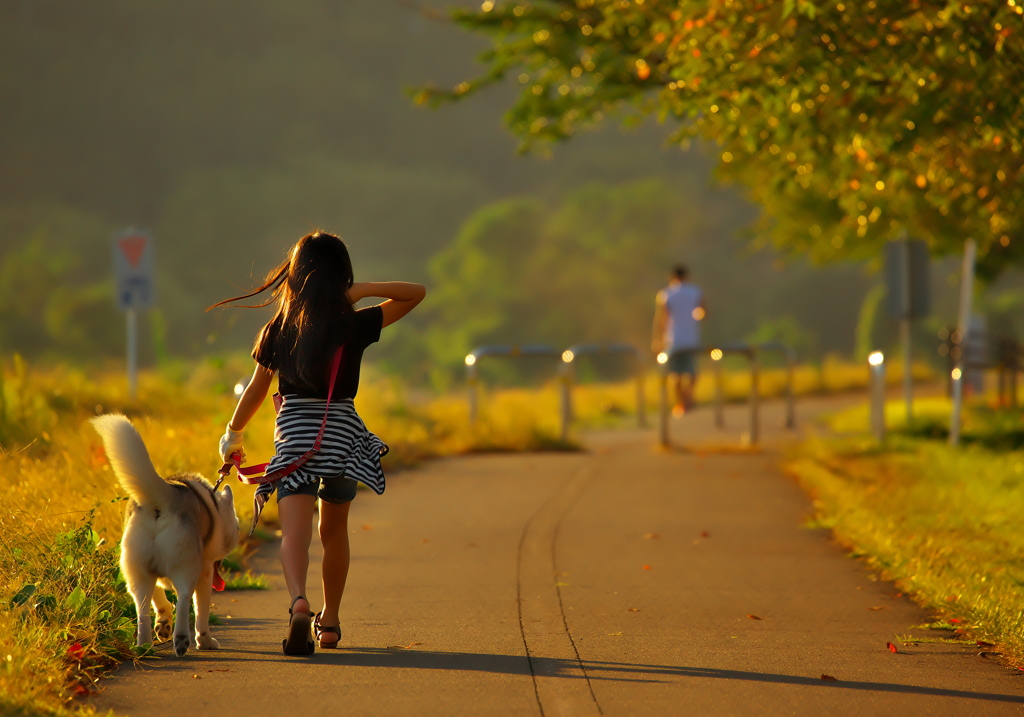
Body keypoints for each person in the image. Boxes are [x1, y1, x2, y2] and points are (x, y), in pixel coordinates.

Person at [211, 231, 425, 654]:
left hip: (294, 436)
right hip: (341, 435)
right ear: (341, 275)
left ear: (296, 276)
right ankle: (330, 622)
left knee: (295, 535)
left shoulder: (280, 328)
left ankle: (298, 604)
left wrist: (233, 434)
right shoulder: (354, 322)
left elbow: (256, 389)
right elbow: (414, 293)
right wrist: (360, 292)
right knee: (335, 532)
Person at [652, 265, 706, 417]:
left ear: (671, 277)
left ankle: (683, 402)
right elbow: (703, 312)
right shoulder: (695, 292)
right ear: (687, 276)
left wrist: (657, 339)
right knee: (692, 373)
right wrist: (694, 317)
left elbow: (662, 319)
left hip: (673, 339)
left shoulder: (666, 294)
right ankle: (688, 398)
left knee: (675, 376)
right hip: (691, 339)